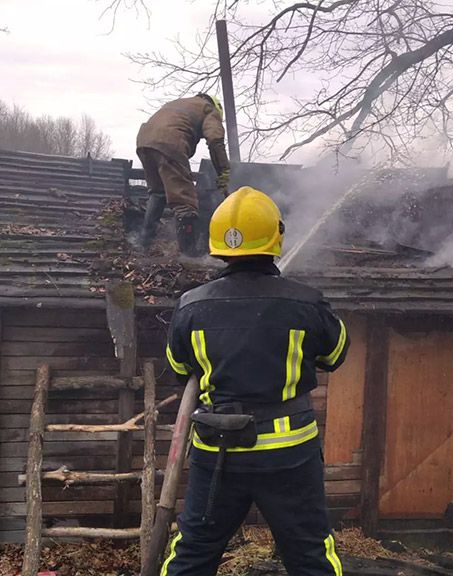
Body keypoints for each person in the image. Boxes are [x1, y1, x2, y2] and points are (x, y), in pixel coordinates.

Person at [161, 186, 349, 576]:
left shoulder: (191, 306)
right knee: (311, 554)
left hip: (218, 452)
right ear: (275, 238)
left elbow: (180, 369)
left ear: (217, 246)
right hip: (290, 455)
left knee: (193, 552)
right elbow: (336, 354)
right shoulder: (306, 303)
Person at [136, 93, 231, 257]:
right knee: (184, 200)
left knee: (157, 193)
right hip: (170, 142)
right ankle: (188, 254)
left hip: (144, 141)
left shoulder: (182, 103)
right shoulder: (209, 110)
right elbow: (215, 141)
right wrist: (224, 173)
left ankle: (144, 244)